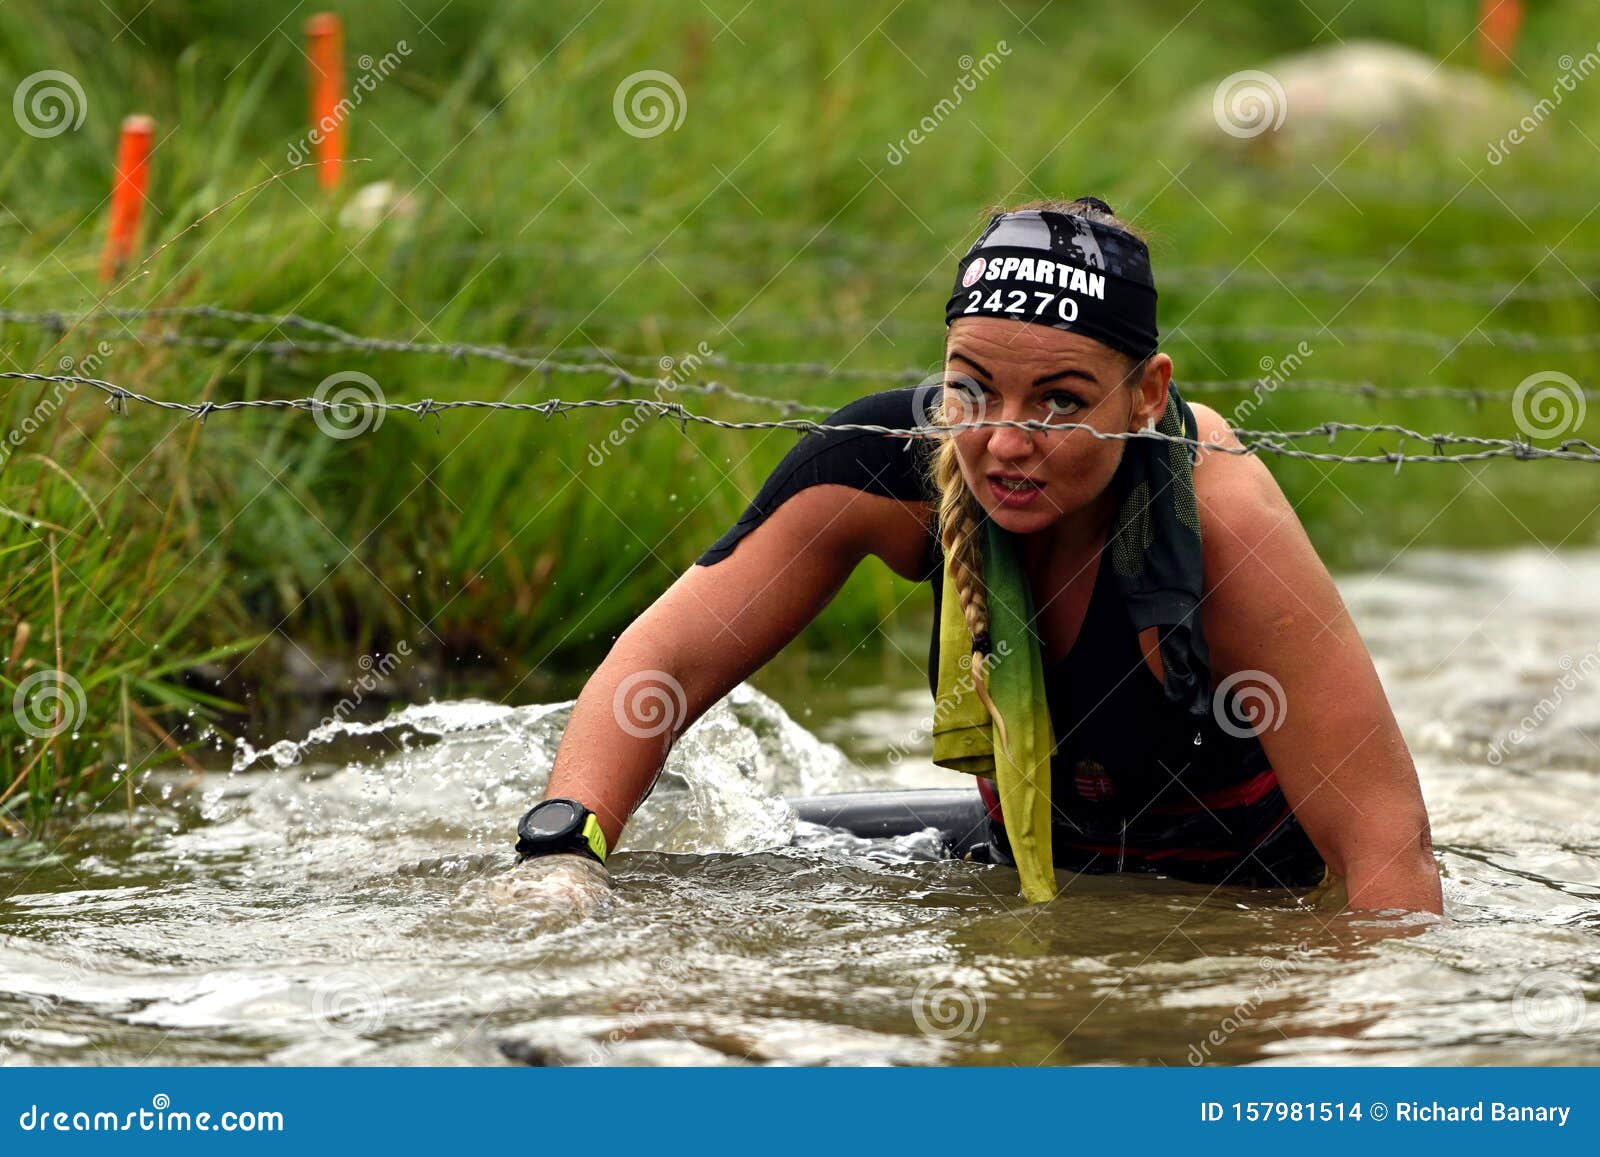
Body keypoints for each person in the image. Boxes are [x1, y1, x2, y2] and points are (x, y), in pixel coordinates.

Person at [508, 196, 1443, 916]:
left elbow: (1387, 858)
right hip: (1029, 860)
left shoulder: (1218, 519)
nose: (1003, 442)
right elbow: (657, 665)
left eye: (1061, 402)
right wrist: (563, 854)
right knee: (731, 866)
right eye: (973, 389)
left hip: (1248, 900)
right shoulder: (884, 465)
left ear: (1146, 395)